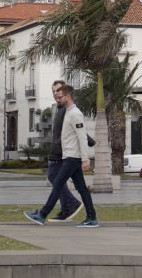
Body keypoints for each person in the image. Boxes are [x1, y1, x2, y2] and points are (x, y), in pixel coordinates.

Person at [25, 84, 98, 227]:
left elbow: (82, 137)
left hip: (73, 157)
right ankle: (92, 218)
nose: (58, 98)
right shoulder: (68, 112)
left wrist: (85, 159)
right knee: (81, 188)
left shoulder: (75, 114)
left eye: (60, 96)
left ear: (68, 96)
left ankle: (42, 215)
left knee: (58, 184)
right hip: (70, 156)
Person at [43, 79, 82, 222]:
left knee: (55, 178)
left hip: (61, 152)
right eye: (53, 91)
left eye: (58, 90)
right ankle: (67, 208)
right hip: (58, 150)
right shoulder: (60, 108)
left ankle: (71, 203)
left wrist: (88, 140)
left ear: (65, 92)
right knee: (59, 180)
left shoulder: (67, 109)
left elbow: (76, 127)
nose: (55, 93)